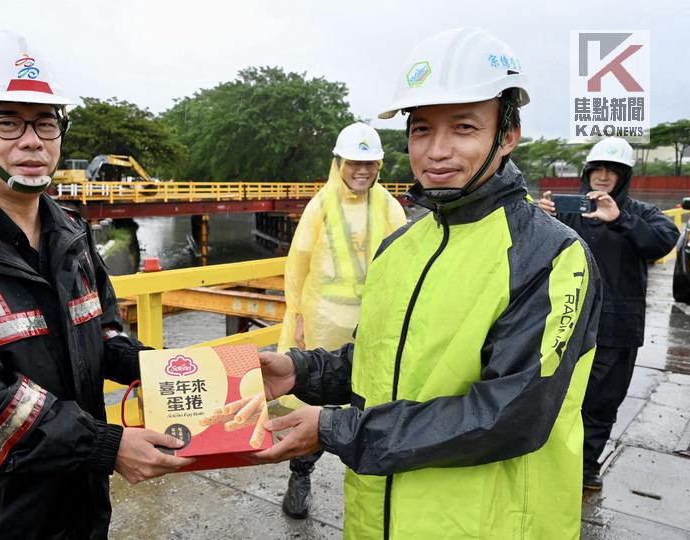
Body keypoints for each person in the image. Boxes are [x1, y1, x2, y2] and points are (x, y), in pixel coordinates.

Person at [254, 27, 601, 539]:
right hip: (380, 520)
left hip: (487, 524)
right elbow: (382, 361)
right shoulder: (402, 248)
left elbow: (510, 415)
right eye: (420, 130)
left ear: (507, 135)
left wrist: (334, 428)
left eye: (463, 128)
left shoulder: (550, 255)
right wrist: (299, 371)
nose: (436, 151)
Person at [0, 31, 192, 539]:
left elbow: (105, 338)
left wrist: (185, 373)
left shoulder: (71, 232)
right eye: (7, 122)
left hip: (73, 502)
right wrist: (108, 447)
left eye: (46, 123)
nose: (32, 141)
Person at [277, 122, 406, 518]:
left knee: (373, 404)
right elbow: (298, 263)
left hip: (371, 324)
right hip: (321, 322)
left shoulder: (388, 206)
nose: (362, 171)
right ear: (340, 163)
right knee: (316, 401)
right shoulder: (321, 205)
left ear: (379, 165)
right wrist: (296, 316)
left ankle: (372, 489)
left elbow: (404, 262)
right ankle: (300, 474)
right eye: (354, 162)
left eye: (369, 163)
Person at [538, 137, 678, 490]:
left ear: (624, 176)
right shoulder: (568, 210)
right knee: (553, 395)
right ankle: (547, 461)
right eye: (596, 169)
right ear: (587, 173)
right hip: (566, 322)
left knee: (602, 402)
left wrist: (620, 220)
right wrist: (539, 220)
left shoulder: (642, 214)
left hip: (617, 327)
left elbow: (660, 242)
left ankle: (585, 467)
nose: (602, 176)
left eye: (611, 171)